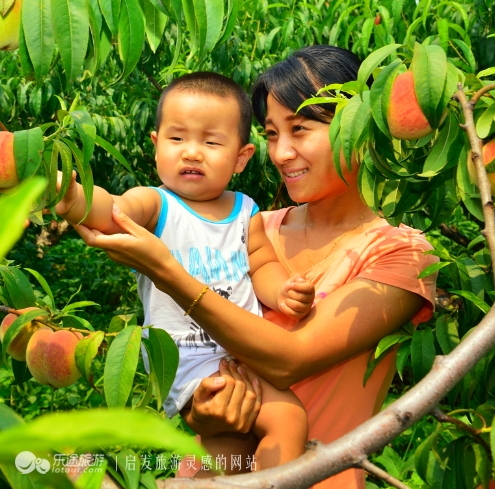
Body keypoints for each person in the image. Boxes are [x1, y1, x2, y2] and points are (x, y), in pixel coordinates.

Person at [71, 46, 437, 487]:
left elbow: (289, 361)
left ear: (358, 125)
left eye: (300, 129)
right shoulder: (248, 227)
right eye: (271, 133)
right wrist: (208, 414)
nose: (282, 153)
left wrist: (168, 273)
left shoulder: (401, 254)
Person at [55, 72, 316, 473]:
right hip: (188, 360)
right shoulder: (156, 204)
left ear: (241, 157)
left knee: (229, 453)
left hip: (242, 353)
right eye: (177, 139)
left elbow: (261, 264)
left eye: (211, 142)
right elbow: (114, 213)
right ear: (156, 146)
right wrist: (74, 197)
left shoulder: (246, 210)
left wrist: (283, 293)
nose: (192, 152)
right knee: (288, 418)